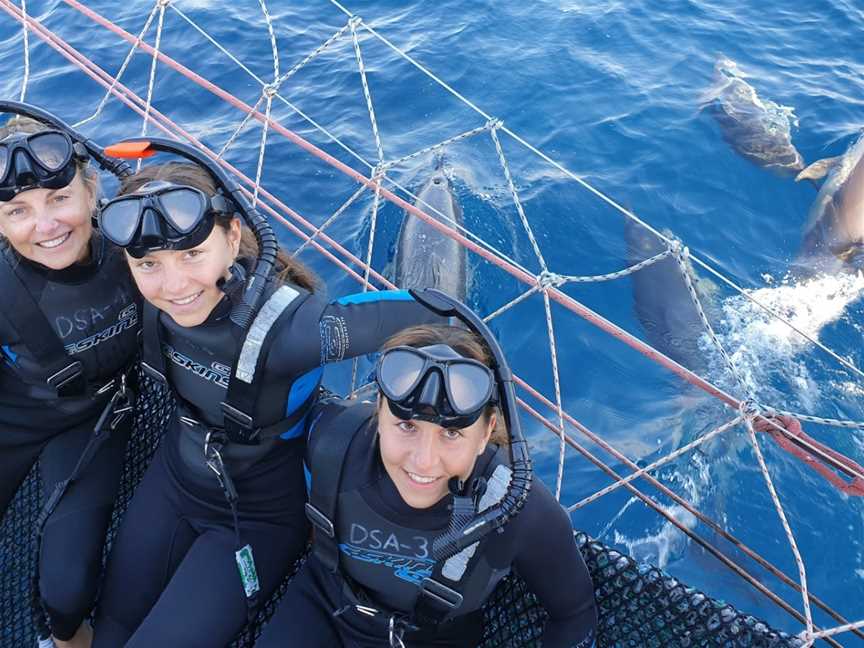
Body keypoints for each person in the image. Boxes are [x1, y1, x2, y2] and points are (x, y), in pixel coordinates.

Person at [90, 137, 444, 647]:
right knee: (108, 627)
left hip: (257, 516)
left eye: (192, 254)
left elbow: (438, 313)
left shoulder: (292, 329)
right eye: (149, 264)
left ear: (234, 237)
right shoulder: (141, 289)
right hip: (174, 481)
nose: (173, 284)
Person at [257, 291, 598, 648]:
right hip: (323, 605)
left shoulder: (514, 507)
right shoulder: (329, 442)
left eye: (451, 433)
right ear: (379, 412)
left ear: (486, 433)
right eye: (406, 426)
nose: (423, 461)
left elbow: (574, 613)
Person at [0, 101, 139, 648]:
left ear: (92, 190)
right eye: (18, 211)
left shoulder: (140, 246)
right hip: (13, 422)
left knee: (65, 591)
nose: (47, 225)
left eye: (60, 199)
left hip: (93, 420)